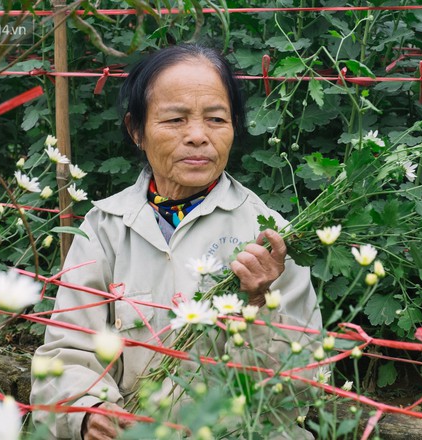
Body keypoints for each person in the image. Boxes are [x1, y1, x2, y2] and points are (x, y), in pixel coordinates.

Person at [30, 44, 322, 440]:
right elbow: (65, 353)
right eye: (175, 119)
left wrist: (256, 304)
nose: (198, 136)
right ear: (137, 131)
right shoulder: (103, 228)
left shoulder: (269, 237)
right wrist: (89, 412)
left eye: (216, 119)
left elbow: (301, 384)